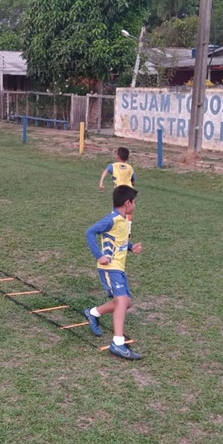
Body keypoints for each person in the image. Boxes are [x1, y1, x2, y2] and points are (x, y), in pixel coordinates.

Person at [83, 185, 143, 360]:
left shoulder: (124, 220)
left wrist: (132, 247)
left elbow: (119, 241)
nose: (135, 205)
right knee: (122, 301)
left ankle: (93, 313)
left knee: (126, 303)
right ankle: (117, 343)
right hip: (110, 268)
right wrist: (99, 255)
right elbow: (90, 232)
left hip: (118, 268)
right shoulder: (112, 219)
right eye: (134, 202)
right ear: (127, 203)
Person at [99, 147, 136, 233]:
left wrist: (101, 182)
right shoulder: (130, 167)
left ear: (117, 156)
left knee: (116, 209)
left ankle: (114, 226)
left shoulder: (113, 166)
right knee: (129, 211)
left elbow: (105, 171)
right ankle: (128, 230)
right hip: (130, 191)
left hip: (119, 192)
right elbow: (133, 179)